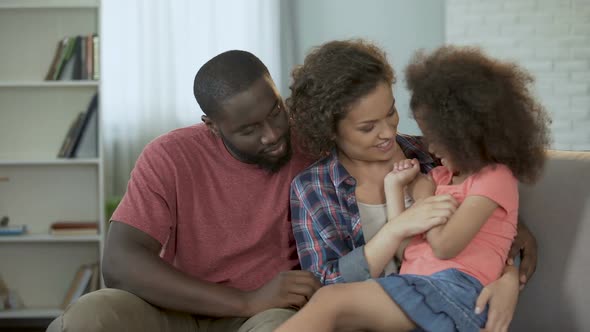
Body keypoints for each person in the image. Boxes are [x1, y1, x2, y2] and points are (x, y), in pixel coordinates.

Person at [47, 50, 322, 332]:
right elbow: (119, 262)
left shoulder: (312, 143)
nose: (272, 135)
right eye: (249, 130)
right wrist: (244, 301)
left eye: (275, 111)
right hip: (177, 311)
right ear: (212, 126)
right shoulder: (169, 155)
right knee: (88, 317)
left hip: (266, 315)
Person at [278, 40, 544, 332]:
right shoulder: (312, 188)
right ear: (330, 129)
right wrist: (395, 230)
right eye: (368, 127)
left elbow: (498, 230)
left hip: (448, 302)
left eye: (391, 112)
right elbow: (322, 286)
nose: (388, 132)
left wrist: (508, 279)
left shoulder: (438, 155)